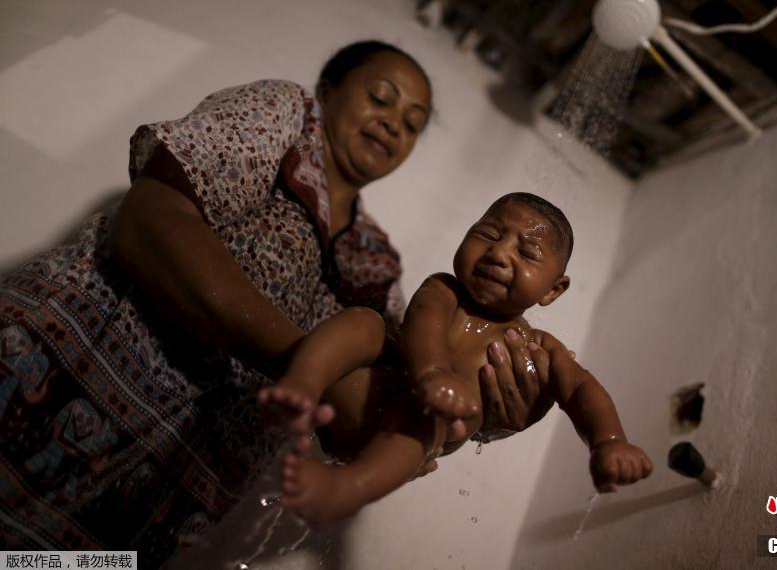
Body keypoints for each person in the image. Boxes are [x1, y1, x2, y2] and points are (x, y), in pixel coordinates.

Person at [0, 41, 543, 564]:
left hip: (147, 503)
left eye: (411, 124)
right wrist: (306, 363)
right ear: (328, 92)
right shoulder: (286, 117)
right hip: (45, 383)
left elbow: (374, 416)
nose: (392, 124)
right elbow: (151, 219)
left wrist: (481, 409)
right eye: (381, 98)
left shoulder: (378, 266)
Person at [258, 192, 653, 526]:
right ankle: (299, 387)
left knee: (425, 412)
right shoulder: (444, 288)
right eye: (487, 235)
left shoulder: (539, 346)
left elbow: (581, 386)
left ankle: (346, 489)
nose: (498, 253)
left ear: (553, 290)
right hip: (365, 387)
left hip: (405, 439)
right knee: (366, 322)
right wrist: (432, 373)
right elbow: (425, 321)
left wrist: (608, 441)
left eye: (527, 252)